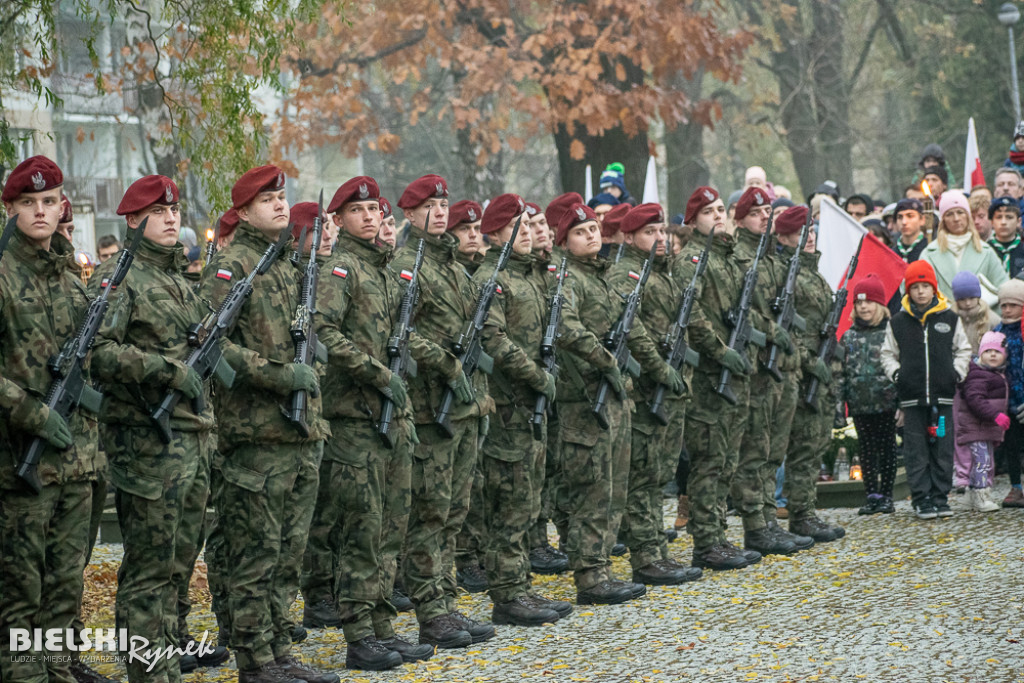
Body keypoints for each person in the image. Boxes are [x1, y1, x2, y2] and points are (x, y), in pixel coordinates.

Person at [303, 176, 449, 670]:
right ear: (339, 219)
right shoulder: (341, 269)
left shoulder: (383, 270)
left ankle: (383, 625)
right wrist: (376, 373)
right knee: (360, 532)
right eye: (357, 210)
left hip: (393, 418)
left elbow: (397, 337)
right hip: (355, 419)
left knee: (390, 529)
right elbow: (321, 331)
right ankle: (359, 633)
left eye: (373, 210)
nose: (369, 217)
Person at [200, 165, 335, 683]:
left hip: (299, 434)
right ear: (243, 212)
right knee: (255, 556)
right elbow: (213, 346)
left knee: (287, 554)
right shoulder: (233, 267)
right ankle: (254, 660)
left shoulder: (285, 266)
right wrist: (282, 377)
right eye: (267, 199)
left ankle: (279, 649)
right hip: (255, 436)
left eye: (282, 197)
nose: (280, 205)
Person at [87, 175, 225, 681]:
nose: (171, 218)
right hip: (146, 446)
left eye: (174, 210)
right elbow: (97, 353)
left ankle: (166, 657)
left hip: (191, 440)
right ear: (132, 220)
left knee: (178, 562)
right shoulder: (118, 278)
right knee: (149, 569)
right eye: (158, 211)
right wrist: (167, 369)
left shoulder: (178, 280)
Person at [0, 156, 102, 683]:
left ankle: (61, 671)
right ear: (11, 207)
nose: (40, 211)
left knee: (66, 583)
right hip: (23, 462)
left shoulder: (70, 273)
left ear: (62, 207)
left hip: (77, 459)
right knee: (21, 590)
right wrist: (32, 413)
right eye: (28, 203)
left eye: (48, 202)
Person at [392, 174, 493, 649]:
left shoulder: (452, 265)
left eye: (443, 203)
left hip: (463, 407)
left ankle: (446, 603)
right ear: (410, 214)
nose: (439, 211)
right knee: (430, 514)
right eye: (429, 205)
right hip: (433, 406)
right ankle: (431, 610)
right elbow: (401, 333)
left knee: (454, 512)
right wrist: (447, 364)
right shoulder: (405, 263)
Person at [552, 202, 667, 599]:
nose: (591, 236)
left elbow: (629, 329)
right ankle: (589, 575)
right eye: (581, 232)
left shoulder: (602, 278)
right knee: (592, 490)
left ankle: (602, 568)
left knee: (615, 488)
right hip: (585, 399)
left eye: (594, 229)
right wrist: (605, 359)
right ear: (564, 240)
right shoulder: (566, 279)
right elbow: (565, 328)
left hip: (616, 396)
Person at [471, 193, 572, 625]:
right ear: (495, 234)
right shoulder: (493, 278)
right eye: (520, 226)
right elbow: (492, 339)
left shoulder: (529, 276)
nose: (531, 232)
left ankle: (520, 586)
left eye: (532, 225)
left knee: (528, 502)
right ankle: (508, 594)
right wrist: (536, 376)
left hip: (532, 404)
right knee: (508, 505)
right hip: (509, 406)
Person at [608, 202, 705, 583]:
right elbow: (633, 331)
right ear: (629, 237)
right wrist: (661, 370)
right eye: (650, 233)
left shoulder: (663, 274)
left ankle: (657, 551)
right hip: (648, 389)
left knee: (660, 472)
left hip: (670, 385)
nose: (660, 239)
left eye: (662, 232)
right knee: (644, 475)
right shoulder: (625, 276)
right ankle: (646, 556)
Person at [674, 187, 762, 570]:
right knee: (709, 460)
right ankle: (706, 542)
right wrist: (718, 350)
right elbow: (691, 316)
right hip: (708, 377)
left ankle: (718, 535)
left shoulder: (727, 259)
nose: (719, 216)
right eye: (709, 212)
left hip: (734, 374)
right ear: (692, 222)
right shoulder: (692, 260)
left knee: (726, 460)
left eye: (722, 209)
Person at [727, 187, 811, 557]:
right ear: (740, 217)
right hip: (757, 365)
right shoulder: (741, 256)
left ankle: (768, 520)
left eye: (768, 211)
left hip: (778, 365)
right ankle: (756, 526)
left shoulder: (772, 256)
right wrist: (774, 333)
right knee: (754, 450)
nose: (765, 216)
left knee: (772, 449)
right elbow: (745, 311)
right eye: (757, 212)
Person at [776, 205, 846, 542]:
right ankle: (800, 514)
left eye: (812, 231)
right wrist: (807, 359)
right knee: (803, 445)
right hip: (803, 371)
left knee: (816, 443)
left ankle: (808, 510)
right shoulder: (787, 274)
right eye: (802, 233)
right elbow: (788, 327)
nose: (810, 238)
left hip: (823, 369)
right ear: (784, 237)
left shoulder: (814, 274)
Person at [881, 260, 971, 519]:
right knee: (916, 450)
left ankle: (941, 497)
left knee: (942, 448)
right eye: (915, 287)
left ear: (934, 288)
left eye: (925, 286)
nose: (920, 292)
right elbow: (888, 354)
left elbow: (963, 349)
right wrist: (898, 374)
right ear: (908, 290)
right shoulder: (898, 321)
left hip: (941, 400)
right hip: (912, 402)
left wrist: (956, 373)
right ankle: (921, 499)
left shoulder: (949, 318)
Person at [838, 275, 898, 515]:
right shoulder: (849, 336)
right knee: (866, 449)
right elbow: (841, 371)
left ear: (880, 305)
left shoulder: (891, 333)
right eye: (859, 303)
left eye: (869, 302)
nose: (863, 307)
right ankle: (872, 494)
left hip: (886, 402)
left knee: (887, 448)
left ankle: (887, 494)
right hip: (859, 404)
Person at [953, 331, 1008, 513]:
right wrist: (995, 415)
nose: (993, 355)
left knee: (983, 460)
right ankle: (981, 496)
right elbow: (975, 399)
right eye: (988, 351)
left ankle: (970, 497)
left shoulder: (995, 375)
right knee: (982, 462)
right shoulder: (979, 375)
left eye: (997, 352)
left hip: (984, 428)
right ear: (980, 354)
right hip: (976, 427)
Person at [920, 191, 1006, 304]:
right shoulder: (929, 253)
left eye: (960, 212)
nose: (956, 218)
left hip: (980, 318)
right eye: (949, 214)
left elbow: (1003, 288)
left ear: (968, 216)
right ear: (943, 220)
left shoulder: (986, 251)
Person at [994, 279, 1024, 508]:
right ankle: (1016, 486)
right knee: (1012, 446)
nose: (1007, 310)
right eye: (1003, 305)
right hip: (1006, 401)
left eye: (1012, 305)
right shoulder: (997, 332)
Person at [951, 271, 999, 354]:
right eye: (962, 299)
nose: (967, 303)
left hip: (984, 365)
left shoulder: (992, 319)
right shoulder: (950, 319)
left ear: (978, 297)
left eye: (972, 298)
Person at [987, 196, 1024, 278]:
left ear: (1018, 221)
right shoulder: (985, 251)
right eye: (999, 217)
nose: (1003, 222)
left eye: (1009, 217)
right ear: (992, 222)